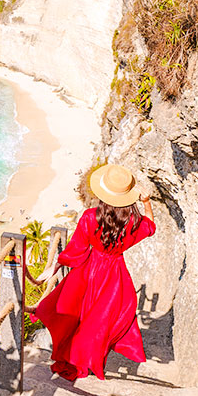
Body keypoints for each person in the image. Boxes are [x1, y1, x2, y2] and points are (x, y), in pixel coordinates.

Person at [29, 163, 156, 382]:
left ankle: (76, 359)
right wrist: (146, 202)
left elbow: (75, 250)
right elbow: (151, 226)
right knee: (100, 322)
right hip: (115, 276)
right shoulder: (133, 222)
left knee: (77, 317)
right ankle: (94, 361)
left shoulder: (89, 217)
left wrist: (55, 266)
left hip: (88, 271)